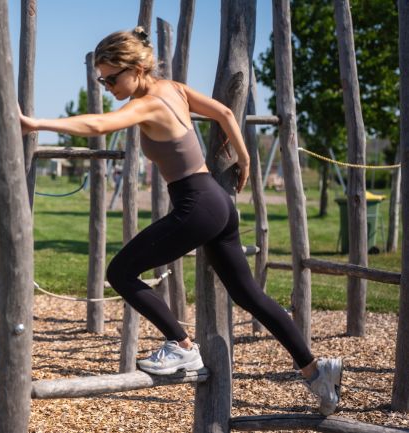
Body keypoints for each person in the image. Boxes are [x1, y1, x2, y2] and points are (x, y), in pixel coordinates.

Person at [20, 27, 342, 416]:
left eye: (112, 78)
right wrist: (245, 158)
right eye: (102, 80)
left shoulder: (149, 103)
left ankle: (182, 346)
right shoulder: (174, 89)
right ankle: (316, 370)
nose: (107, 86)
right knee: (248, 295)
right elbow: (224, 113)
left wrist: (36, 124)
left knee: (121, 273)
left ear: (137, 68)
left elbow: (99, 126)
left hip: (195, 204)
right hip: (217, 202)